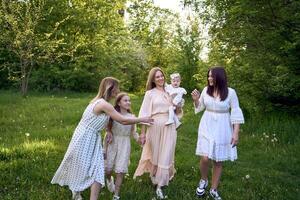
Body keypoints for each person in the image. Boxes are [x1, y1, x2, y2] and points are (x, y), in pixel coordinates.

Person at [51, 77, 153, 200]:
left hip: (90, 136)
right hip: (86, 137)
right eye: (117, 88)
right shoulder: (103, 104)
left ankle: (78, 192)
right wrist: (143, 119)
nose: (118, 90)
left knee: (95, 169)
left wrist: (108, 130)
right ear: (110, 88)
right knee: (84, 166)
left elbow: (99, 121)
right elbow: (122, 120)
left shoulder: (99, 101)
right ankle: (76, 191)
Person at [191, 66, 244, 200]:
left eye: (212, 76)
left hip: (223, 126)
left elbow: (236, 112)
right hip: (207, 124)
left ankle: (213, 189)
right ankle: (204, 180)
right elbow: (200, 107)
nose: (209, 79)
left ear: (219, 77)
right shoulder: (205, 90)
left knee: (218, 160)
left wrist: (236, 133)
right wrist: (196, 99)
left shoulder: (231, 93)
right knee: (205, 157)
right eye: (208, 76)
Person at [133, 67, 181, 199]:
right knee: (155, 154)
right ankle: (154, 175)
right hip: (154, 127)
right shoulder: (150, 93)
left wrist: (179, 105)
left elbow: (177, 112)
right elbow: (144, 113)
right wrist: (142, 133)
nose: (160, 78)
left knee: (166, 154)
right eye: (157, 77)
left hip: (169, 126)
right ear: (153, 79)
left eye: (162, 76)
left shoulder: (170, 90)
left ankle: (160, 186)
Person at [103, 92, 141, 200]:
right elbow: (107, 130)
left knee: (120, 171)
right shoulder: (113, 115)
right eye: (125, 100)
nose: (128, 102)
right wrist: (104, 148)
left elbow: (134, 132)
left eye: (129, 100)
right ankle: (109, 179)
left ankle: (116, 195)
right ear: (119, 103)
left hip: (125, 144)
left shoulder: (132, 117)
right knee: (108, 169)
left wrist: (139, 140)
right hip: (112, 143)